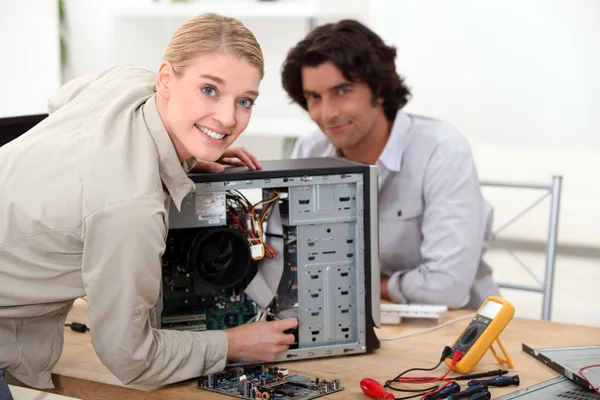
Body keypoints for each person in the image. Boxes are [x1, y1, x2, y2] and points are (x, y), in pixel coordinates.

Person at [0, 13, 298, 391]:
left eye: (244, 101)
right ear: (165, 79)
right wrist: (234, 343)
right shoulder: (131, 207)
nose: (226, 118)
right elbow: (129, 357)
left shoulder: (124, 81)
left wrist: (186, 151)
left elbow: (62, 98)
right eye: (209, 90)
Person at [281, 19, 500, 310]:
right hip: (349, 315)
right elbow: (297, 259)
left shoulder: (441, 148)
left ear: (379, 90)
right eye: (314, 98)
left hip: (454, 326)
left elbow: (447, 288)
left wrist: (357, 283)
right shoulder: (310, 149)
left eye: (342, 91)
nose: (327, 113)